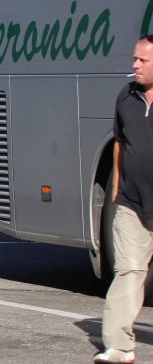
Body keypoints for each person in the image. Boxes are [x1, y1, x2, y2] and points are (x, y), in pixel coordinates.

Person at [96, 34, 153, 364]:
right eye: (135, 59)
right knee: (128, 271)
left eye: (142, 61)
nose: (135, 65)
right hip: (131, 202)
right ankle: (118, 346)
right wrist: (116, 190)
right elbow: (119, 143)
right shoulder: (127, 97)